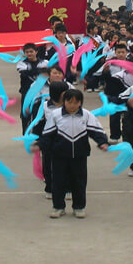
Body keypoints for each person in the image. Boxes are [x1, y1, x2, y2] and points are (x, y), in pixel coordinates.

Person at [34, 89, 108, 219]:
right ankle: (58, 207)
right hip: (59, 155)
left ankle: (79, 207)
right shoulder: (56, 115)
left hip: (80, 155)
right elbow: (48, 134)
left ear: (80, 103)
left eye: (76, 102)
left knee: (79, 182)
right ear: (64, 102)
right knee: (58, 182)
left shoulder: (86, 115)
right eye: (69, 102)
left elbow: (96, 131)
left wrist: (102, 142)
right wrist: (39, 145)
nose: (72, 105)